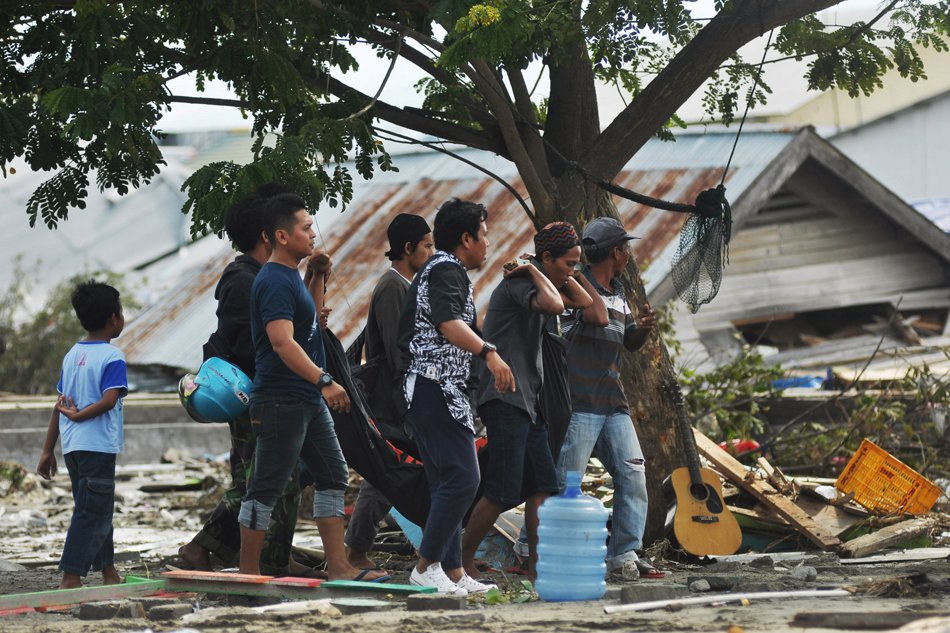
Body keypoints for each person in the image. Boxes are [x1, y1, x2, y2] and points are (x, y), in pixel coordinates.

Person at [237, 193, 387, 582]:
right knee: (266, 486)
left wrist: (318, 275)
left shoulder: (290, 277)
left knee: (333, 474)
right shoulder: (272, 280)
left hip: (304, 398)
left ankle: (338, 566)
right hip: (281, 398)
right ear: (282, 236)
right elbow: (282, 341)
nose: (313, 234)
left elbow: (309, 326)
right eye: (306, 228)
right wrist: (324, 380)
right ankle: (247, 573)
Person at [179, 185, 317, 577]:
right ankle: (212, 549)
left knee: (275, 478)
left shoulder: (261, 275)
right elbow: (254, 344)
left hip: (268, 394)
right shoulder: (247, 280)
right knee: (263, 481)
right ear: (269, 235)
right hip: (256, 397)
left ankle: (269, 555)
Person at [462, 222, 596, 582]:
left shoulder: (543, 279)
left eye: (577, 265)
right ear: (546, 258)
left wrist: (561, 274)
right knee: (502, 489)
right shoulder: (520, 283)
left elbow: (585, 302)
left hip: (529, 402)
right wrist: (536, 270)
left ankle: (538, 566)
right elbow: (554, 304)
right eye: (568, 264)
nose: (574, 271)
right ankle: (460, 562)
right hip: (504, 396)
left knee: (543, 485)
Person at [398, 198, 513, 595]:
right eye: (483, 235)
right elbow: (448, 323)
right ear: (466, 238)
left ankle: (453, 573)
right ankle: (425, 566)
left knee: (445, 480)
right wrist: (489, 353)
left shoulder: (444, 270)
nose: (487, 244)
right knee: (465, 478)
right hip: (434, 387)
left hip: (435, 389)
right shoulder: (446, 269)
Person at [556, 216, 664, 580]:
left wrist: (641, 330)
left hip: (613, 403)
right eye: (626, 248)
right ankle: (533, 550)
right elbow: (589, 321)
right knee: (564, 481)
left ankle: (624, 555)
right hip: (581, 400)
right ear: (616, 252)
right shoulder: (575, 285)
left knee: (633, 474)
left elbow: (626, 341)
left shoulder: (618, 292)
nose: (629, 254)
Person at [344, 213, 435, 570]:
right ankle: (355, 549)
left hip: (403, 398)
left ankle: (440, 551)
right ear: (408, 248)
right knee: (387, 477)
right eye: (427, 246)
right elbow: (401, 354)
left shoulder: (405, 285)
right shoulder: (393, 287)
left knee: (405, 474)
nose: (431, 252)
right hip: (395, 400)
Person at [37, 281, 127, 589]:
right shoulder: (112, 357)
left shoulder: (71, 354)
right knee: (94, 513)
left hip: (73, 448)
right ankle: (71, 576)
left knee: (94, 508)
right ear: (114, 318)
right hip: (97, 447)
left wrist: (48, 450)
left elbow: (57, 404)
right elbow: (109, 399)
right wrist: (79, 415)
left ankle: (108, 571)